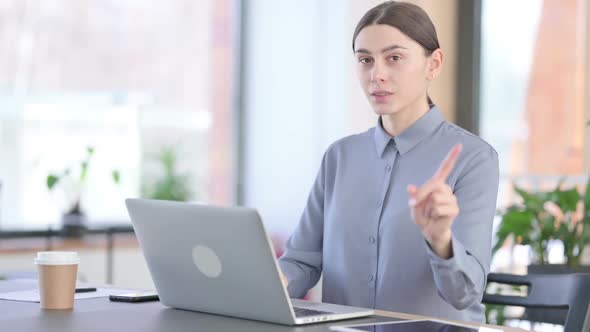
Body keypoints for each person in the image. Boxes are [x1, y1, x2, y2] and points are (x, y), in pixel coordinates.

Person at [277, 1, 499, 323]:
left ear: (433, 64)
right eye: (365, 60)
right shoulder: (339, 157)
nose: (377, 74)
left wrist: (441, 241)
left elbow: (464, 294)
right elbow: (301, 262)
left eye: (394, 58)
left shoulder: (474, 159)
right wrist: (261, 286)